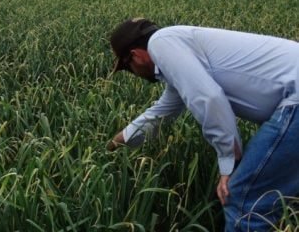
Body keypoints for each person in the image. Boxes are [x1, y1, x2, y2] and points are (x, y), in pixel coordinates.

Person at [106, 18, 299, 231]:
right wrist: (114, 145)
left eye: (128, 68)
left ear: (135, 56)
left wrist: (228, 159)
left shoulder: (160, 43)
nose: (135, 74)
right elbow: (160, 114)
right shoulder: (177, 51)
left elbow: (209, 99)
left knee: (243, 199)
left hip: (296, 99)